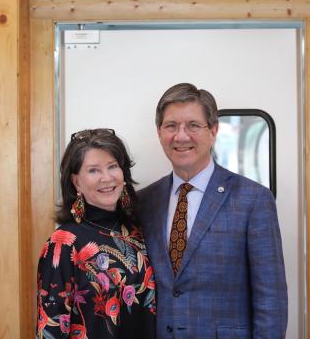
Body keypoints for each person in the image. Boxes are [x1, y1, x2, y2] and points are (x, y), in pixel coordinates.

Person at [138, 83, 288, 339]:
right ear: (159, 132)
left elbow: (270, 301)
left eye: (193, 125)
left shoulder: (253, 199)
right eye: (171, 126)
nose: (181, 136)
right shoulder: (144, 202)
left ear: (213, 130)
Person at [36, 128, 156, 339]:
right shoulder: (64, 243)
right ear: (76, 182)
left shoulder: (138, 231)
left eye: (112, 167)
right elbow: (50, 328)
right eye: (93, 170)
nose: (106, 178)